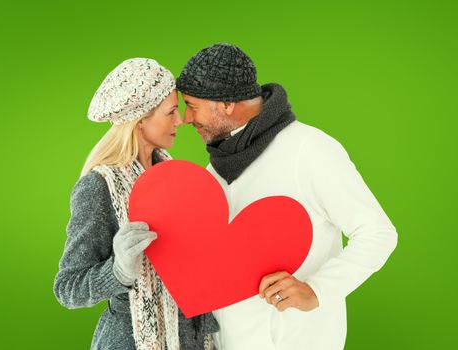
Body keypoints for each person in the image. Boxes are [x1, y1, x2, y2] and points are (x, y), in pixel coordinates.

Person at [175, 43, 398, 350]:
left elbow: (377, 233)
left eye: (192, 105)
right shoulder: (214, 172)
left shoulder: (309, 150)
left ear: (225, 104)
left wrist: (317, 290)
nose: (186, 118)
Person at [53, 58, 218, 350]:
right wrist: (119, 271)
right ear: (140, 119)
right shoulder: (98, 187)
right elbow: (68, 288)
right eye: (170, 112)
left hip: (192, 339)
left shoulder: (175, 177)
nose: (180, 120)